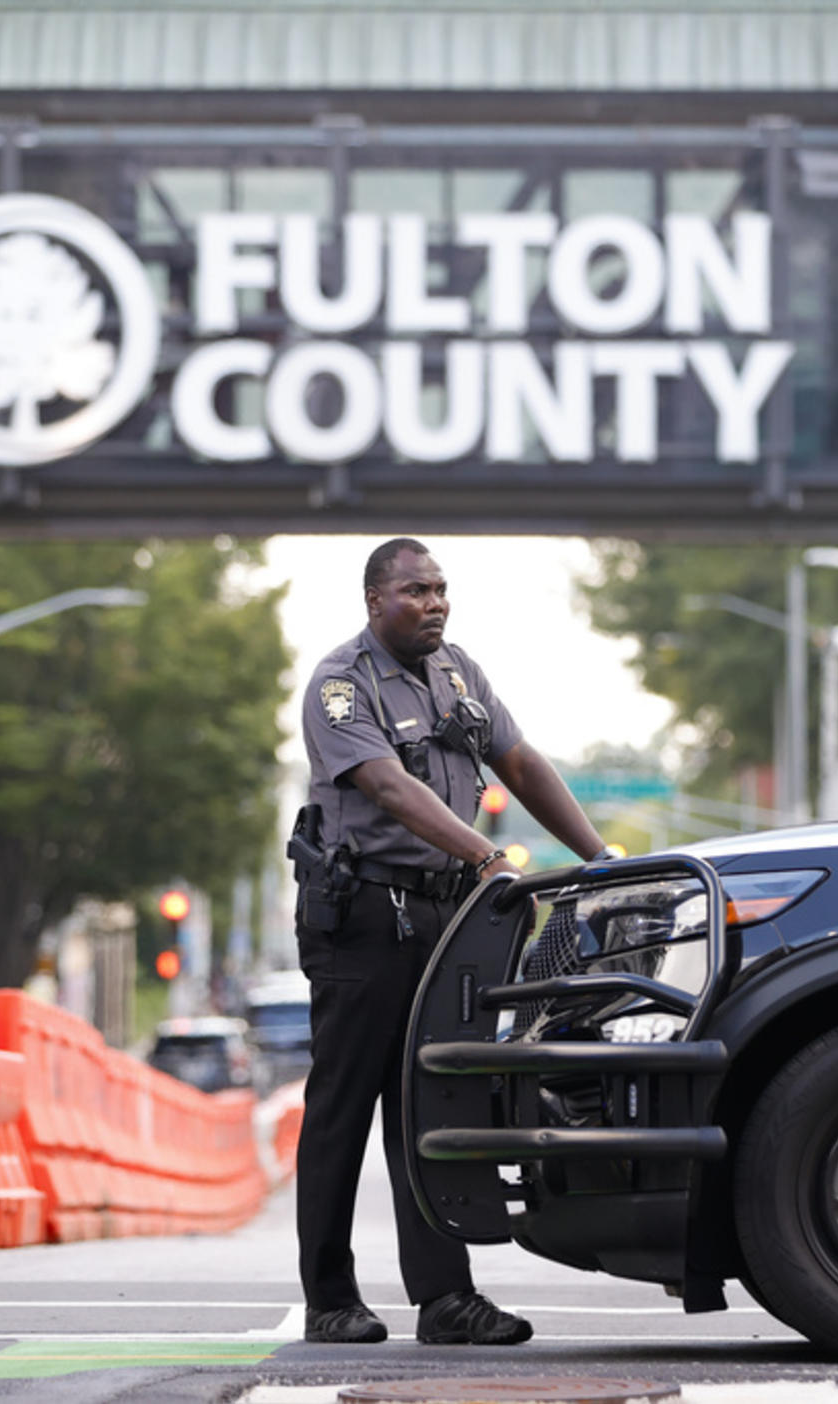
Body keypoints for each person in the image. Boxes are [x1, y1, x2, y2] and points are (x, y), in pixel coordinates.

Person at [291, 537, 612, 1347]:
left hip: (444, 916)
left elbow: (521, 763)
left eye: (441, 589)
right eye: (415, 591)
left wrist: (601, 859)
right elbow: (388, 788)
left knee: (432, 1103)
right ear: (374, 601)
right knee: (343, 1107)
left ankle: (445, 1300)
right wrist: (486, 855)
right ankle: (331, 1298)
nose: (434, 603)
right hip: (362, 916)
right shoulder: (342, 684)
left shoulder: (458, 672)